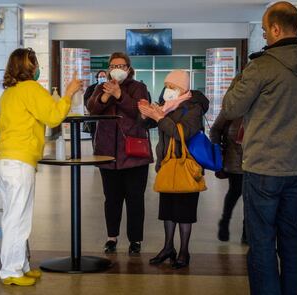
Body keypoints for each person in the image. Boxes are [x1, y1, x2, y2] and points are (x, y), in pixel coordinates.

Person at [221, 2, 297, 294]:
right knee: (291, 236)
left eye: (265, 31)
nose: (264, 36)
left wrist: (240, 76)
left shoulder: (262, 65)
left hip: (264, 166)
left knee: (262, 241)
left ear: (276, 29)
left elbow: (231, 106)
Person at [0, 48, 82, 286]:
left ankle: (21, 266)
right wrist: (69, 94)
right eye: (35, 63)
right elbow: (53, 116)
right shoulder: (30, 89)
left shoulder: (9, 93)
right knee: (17, 218)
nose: (38, 67)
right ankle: (10, 271)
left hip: (5, 159)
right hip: (19, 161)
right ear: (29, 67)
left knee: (14, 215)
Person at [138, 70, 209, 269]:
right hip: (167, 165)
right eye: (167, 86)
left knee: (185, 212)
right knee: (167, 210)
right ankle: (168, 247)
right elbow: (148, 124)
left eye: (173, 87)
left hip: (187, 165)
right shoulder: (166, 106)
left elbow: (182, 134)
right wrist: (145, 114)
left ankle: (184, 251)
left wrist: (160, 118)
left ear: (183, 89)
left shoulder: (193, 107)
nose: (168, 90)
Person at [87, 52, 153, 255]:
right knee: (111, 199)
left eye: (122, 66)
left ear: (129, 69)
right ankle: (111, 237)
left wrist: (120, 96)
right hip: (108, 154)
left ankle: (135, 240)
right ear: (108, 69)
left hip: (134, 154)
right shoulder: (100, 87)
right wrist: (106, 95)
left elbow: (141, 113)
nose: (118, 69)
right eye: (114, 65)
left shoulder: (138, 87)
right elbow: (92, 110)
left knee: (135, 199)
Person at [209, 74, 246, 243]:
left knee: (252, 199)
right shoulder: (230, 109)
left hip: (256, 162)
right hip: (234, 161)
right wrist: (217, 150)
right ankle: (224, 222)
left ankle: (247, 231)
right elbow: (215, 130)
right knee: (235, 192)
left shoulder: (260, 108)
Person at [83, 70, 107, 138]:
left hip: (106, 116)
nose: (102, 78)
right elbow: (85, 99)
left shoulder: (109, 88)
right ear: (97, 78)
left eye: (104, 76)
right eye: (100, 76)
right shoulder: (91, 88)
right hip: (94, 115)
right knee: (95, 135)